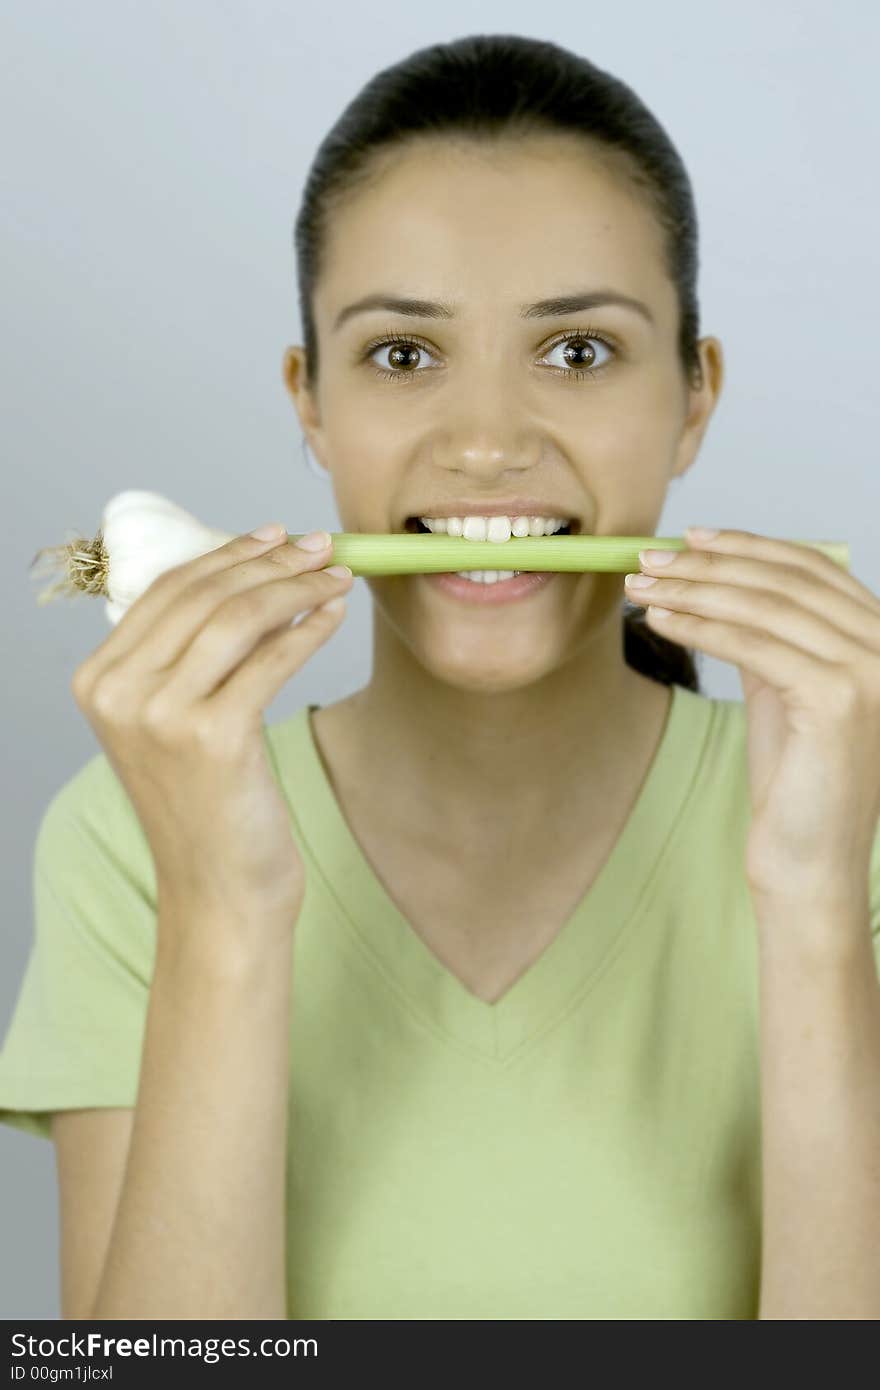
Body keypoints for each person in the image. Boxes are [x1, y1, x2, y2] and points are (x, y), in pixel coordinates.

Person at [3, 33, 876, 1322]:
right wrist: (223, 915)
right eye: (404, 356)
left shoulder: (858, 829)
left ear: (696, 398)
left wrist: (813, 905)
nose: (485, 445)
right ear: (309, 402)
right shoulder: (129, 842)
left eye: (577, 351)